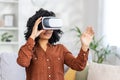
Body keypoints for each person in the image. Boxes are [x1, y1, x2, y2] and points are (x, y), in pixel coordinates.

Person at [17, 8, 94, 80]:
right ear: (36, 28)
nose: (49, 30)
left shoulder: (61, 49)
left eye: (51, 27)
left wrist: (85, 46)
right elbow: (23, 62)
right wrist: (33, 36)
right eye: (45, 26)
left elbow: (78, 66)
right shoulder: (28, 50)